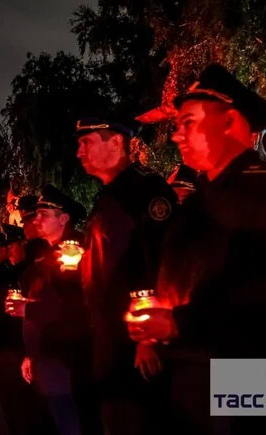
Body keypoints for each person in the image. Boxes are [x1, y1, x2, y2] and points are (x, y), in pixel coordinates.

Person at [129, 64, 266, 435]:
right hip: (185, 368)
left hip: (241, 365)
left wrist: (179, 322)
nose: (175, 136)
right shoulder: (201, 199)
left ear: (230, 122)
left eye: (188, 123)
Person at [76, 117, 177, 435]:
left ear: (116, 142)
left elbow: (157, 261)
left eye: (87, 142)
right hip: (111, 338)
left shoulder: (144, 190)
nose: (79, 152)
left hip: (134, 343)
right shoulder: (110, 195)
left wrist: (146, 338)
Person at [19, 185, 96, 435]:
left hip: (69, 357)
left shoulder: (76, 251)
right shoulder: (45, 255)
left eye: (45, 214)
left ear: (64, 219)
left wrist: (29, 309)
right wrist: (31, 353)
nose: (36, 219)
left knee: (76, 422)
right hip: (47, 356)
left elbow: (75, 303)